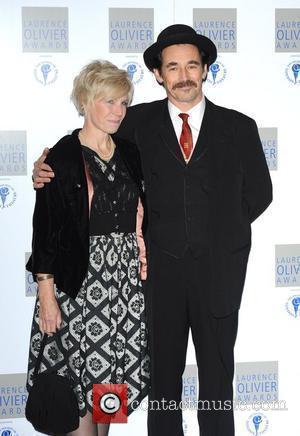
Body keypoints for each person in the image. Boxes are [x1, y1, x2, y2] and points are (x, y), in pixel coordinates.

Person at [32, 25, 272, 436]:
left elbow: (259, 194)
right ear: (159, 74)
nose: (183, 76)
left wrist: (217, 237)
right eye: (172, 67)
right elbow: (85, 150)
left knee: (217, 385)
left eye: (192, 66)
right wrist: (45, 168)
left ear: (206, 70)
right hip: (153, 281)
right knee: (164, 389)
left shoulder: (239, 128)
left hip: (218, 278)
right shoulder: (132, 122)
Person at [26, 60, 150, 436]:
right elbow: (45, 232)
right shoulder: (61, 157)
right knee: (79, 387)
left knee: (106, 390)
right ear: (85, 102)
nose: (118, 111)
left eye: (124, 103)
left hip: (123, 288)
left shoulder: (130, 152)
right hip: (78, 287)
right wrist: (47, 296)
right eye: (109, 102)